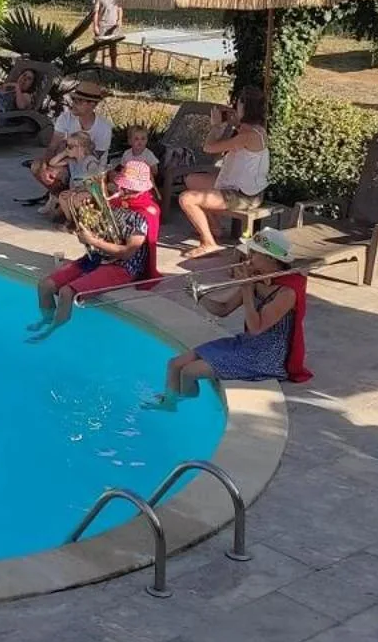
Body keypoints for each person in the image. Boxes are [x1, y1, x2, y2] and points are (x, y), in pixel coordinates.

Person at [144, 227, 311, 410]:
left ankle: (185, 406)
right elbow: (223, 309)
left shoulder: (287, 293)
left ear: (270, 258)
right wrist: (198, 296)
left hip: (265, 356)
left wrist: (247, 289)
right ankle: (171, 402)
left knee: (190, 371)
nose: (248, 257)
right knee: (175, 364)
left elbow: (256, 328)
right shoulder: (257, 280)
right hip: (246, 344)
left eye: (254, 253)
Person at [29, 160, 159, 341]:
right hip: (99, 256)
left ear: (142, 189)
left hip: (123, 265)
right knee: (44, 286)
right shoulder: (118, 203)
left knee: (67, 292)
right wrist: (80, 220)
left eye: (128, 188)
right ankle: (47, 319)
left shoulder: (145, 213)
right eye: (123, 186)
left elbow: (128, 251)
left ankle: (53, 332)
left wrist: (93, 241)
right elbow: (101, 227)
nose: (122, 190)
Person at [178, 86, 270, 259]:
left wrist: (215, 127)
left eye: (238, 105)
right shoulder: (256, 130)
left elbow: (209, 148)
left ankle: (208, 243)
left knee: (186, 199)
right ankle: (215, 227)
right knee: (192, 180)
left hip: (244, 195)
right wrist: (232, 120)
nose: (235, 107)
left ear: (246, 109)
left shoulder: (247, 136)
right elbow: (240, 132)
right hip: (242, 186)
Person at [24, 83, 114, 206]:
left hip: (90, 170)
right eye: (73, 99)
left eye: (79, 101)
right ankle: (58, 197)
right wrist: (45, 167)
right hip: (69, 164)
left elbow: (94, 158)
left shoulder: (104, 127)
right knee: (37, 166)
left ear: (92, 104)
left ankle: (73, 202)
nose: (74, 104)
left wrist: (63, 162)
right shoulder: (65, 118)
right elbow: (52, 146)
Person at [91, 0, 124, 69]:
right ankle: (90, 63)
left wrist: (119, 20)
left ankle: (113, 67)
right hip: (103, 25)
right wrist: (95, 26)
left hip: (113, 25)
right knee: (96, 46)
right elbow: (95, 12)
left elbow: (120, 8)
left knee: (113, 47)